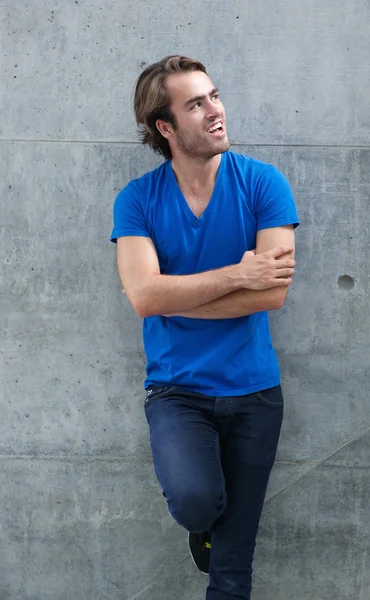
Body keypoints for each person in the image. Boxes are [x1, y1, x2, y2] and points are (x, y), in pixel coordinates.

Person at [110, 55, 299, 600]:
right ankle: (203, 528)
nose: (216, 111)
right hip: (177, 392)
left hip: (255, 393)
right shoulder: (138, 200)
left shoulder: (264, 184)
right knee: (196, 501)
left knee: (233, 567)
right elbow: (144, 297)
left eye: (214, 96)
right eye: (196, 104)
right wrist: (238, 274)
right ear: (164, 127)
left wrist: (171, 295)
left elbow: (274, 293)